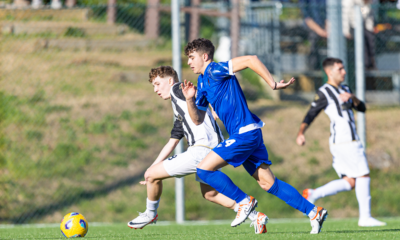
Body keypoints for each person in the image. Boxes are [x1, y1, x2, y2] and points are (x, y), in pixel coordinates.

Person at [181, 38, 328, 234]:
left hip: (245, 133)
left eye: (192, 57)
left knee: (203, 171)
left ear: (205, 56)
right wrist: (190, 100)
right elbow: (198, 119)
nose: (189, 62)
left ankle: (244, 201)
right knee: (269, 183)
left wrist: (272, 84)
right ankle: (313, 212)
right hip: (248, 133)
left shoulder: (215, 70)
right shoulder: (202, 81)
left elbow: (251, 59)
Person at [127, 66, 268, 234]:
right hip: (213, 150)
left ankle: (150, 214)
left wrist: (214, 104)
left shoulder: (178, 90)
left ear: (170, 81)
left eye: (157, 84)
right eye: (153, 86)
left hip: (201, 150)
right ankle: (255, 216)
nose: (156, 89)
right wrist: (152, 167)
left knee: (152, 176)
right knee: (210, 194)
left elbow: (198, 90)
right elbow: (171, 142)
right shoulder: (183, 110)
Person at [296, 58, 386, 227]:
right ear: (330, 72)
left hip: (343, 142)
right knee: (363, 174)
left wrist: (351, 96)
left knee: (350, 182)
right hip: (345, 141)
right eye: (340, 69)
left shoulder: (345, 89)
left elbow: (362, 108)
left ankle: (313, 194)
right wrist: (301, 133)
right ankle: (365, 217)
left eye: (344, 68)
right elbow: (311, 113)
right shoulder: (324, 92)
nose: (344, 72)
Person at [299, 0, 327, 70]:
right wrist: (321, 32)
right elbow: (307, 19)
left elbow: (330, 14)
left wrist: (327, 29)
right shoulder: (306, 2)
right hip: (311, 27)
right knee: (313, 37)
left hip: (325, 26)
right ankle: (314, 68)